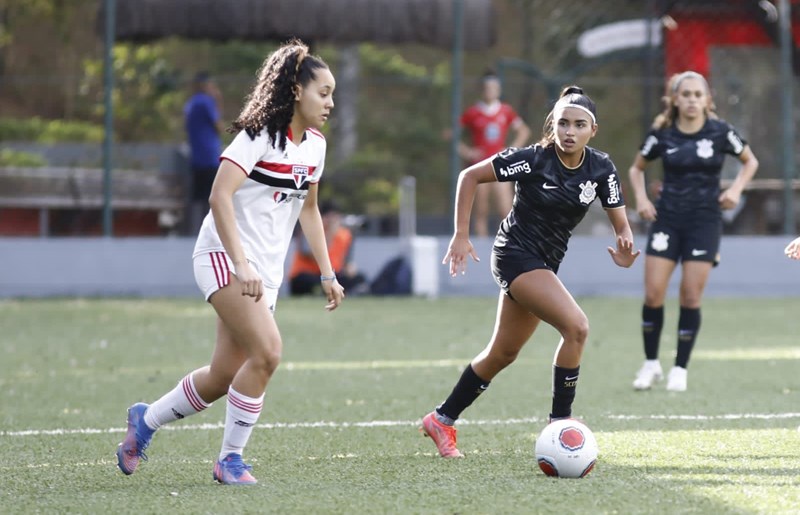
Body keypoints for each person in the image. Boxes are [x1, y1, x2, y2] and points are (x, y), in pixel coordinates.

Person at [115, 39, 345, 485]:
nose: (331, 103)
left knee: (223, 375)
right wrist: (240, 263)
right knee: (268, 352)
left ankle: (145, 420)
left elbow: (310, 210)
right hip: (224, 256)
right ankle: (230, 461)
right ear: (296, 90)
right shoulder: (258, 135)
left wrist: (328, 272)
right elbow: (219, 196)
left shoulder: (315, 145)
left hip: (265, 274)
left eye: (333, 94)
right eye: (324, 92)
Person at [421, 85, 640, 458]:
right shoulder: (533, 159)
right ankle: (561, 426)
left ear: (593, 130)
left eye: (578, 125)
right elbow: (469, 176)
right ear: (552, 125)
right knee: (577, 327)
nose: (569, 131)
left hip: (545, 264)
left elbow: (621, 223)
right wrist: (461, 234)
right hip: (514, 254)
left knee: (503, 353)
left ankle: (441, 419)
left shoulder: (601, 168)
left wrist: (624, 245)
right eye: (562, 123)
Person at [629, 70, 759, 392]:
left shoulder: (719, 132)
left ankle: (680, 369)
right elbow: (635, 168)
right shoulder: (662, 134)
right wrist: (643, 198)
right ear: (675, 99)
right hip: (667, 220)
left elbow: (750, 161)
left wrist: (736, 190)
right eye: (685, 94)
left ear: (707, 100)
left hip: (704, 222)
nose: (691, 100)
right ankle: (650, 364)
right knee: (653, 293)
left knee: (690, 296)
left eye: (697, 95)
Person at [458, 70, 531, 237]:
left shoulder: (506, 111)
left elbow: (523, 131)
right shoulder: (473, 112)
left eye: (494, 88)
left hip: (500, 166)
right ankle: (481, 245)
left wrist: (511, 150)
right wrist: (467, 152)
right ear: (482, 89)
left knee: (506, 209)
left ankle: (509, 245)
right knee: (481, 209)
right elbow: (452, 135)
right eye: (487, 88)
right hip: (480, 167)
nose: (490, 91)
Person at [289, 199, 367, 295]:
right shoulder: (309, 230)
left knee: (359, 279)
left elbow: (345, 260)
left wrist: (349, 268)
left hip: (332, 274)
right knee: (306, 281)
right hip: (307, 274)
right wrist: (330, 234)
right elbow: (313, 256)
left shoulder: (344, 234)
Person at [184, 71, 225, 235]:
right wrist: (218, 100)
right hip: (209, 157)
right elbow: (219, 126)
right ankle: (211, 232)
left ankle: (193, 231)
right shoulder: (207, 102)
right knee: (212, 195)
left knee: (197, 196)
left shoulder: (191, 103)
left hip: (196, 157)